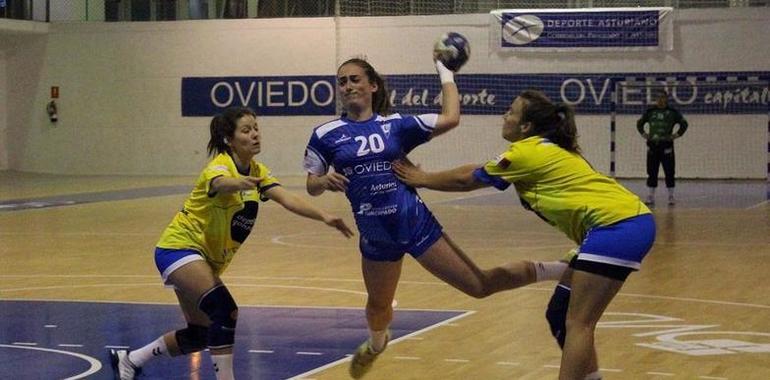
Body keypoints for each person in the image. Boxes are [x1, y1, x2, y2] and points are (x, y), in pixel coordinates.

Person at [303, 57, 567, 379]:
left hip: (416, 226)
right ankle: (375, 346)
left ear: (372, 85)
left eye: (355, 79)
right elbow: (311, 185)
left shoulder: (397, 126)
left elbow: (451, 117)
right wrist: (323, 181)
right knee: (377, 308)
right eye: (342, 81)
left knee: (479, 286)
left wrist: (445, 74)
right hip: (376, 236)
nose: (348, 86)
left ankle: (563, 269)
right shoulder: (326, 134)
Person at [393, 89, 656, 380]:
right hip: (618, 226)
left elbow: (467, 178)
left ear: (526, 127)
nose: (505, 116)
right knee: (559, 313)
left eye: (511, 112)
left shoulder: (528, 151)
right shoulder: (548, 149)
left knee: (578, 323)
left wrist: (423, 178)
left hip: (617, 227)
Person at [109, 106, 354, 380]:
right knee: (225, 311)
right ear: (230, 139)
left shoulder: (258, 171)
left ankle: (130, 360)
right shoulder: (219, 166)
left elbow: (287, 198)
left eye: (256, 128)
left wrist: (325, 217)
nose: (255, 135)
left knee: (201, 334)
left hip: (204, 259)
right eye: (246, 130)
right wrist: (238, 184)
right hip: (179, 248)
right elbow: (220, 183)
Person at [636, 90, 688, 206]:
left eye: (662, 97)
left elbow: (684, 124)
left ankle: (671, 196)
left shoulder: (672, 112)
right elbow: (639, 123)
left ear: (666, 99)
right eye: (658, 98)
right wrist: (644, 134)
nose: (660, 100)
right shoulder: (650, 112)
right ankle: (650, 196)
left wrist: (675, 135)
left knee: (669, 171)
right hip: (653, 146)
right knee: (652, 171)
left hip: (667, 146)